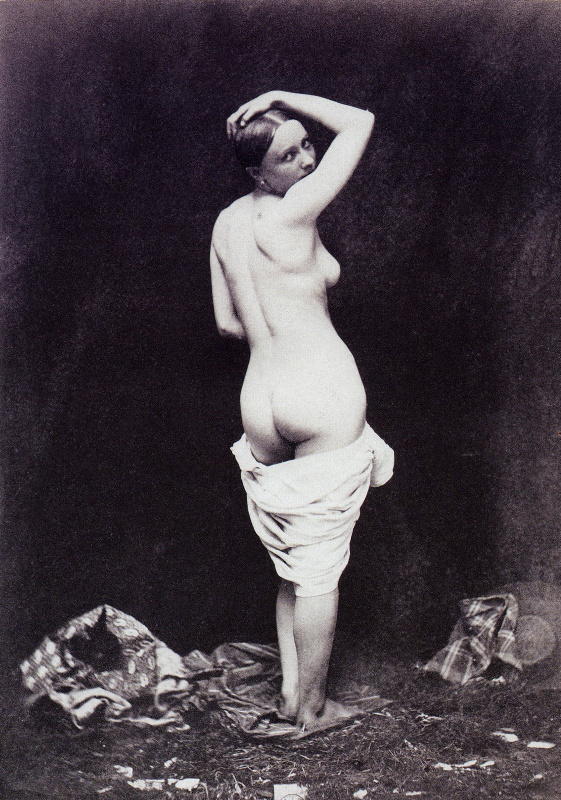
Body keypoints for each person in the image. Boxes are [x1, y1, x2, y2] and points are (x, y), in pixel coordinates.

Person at [210, 91, 394, 733]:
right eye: (288, 156)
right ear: (259, 172)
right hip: (318, 392)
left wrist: (275, 327)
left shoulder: (226, 223)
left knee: (295, 561)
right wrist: (282, 96)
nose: (308, 161)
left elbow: (228, 322)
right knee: (318, 571)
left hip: (259, 402)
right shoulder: (294, 213)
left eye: (307, 144)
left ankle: (292, 694)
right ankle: (312, 710)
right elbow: (361, 122)